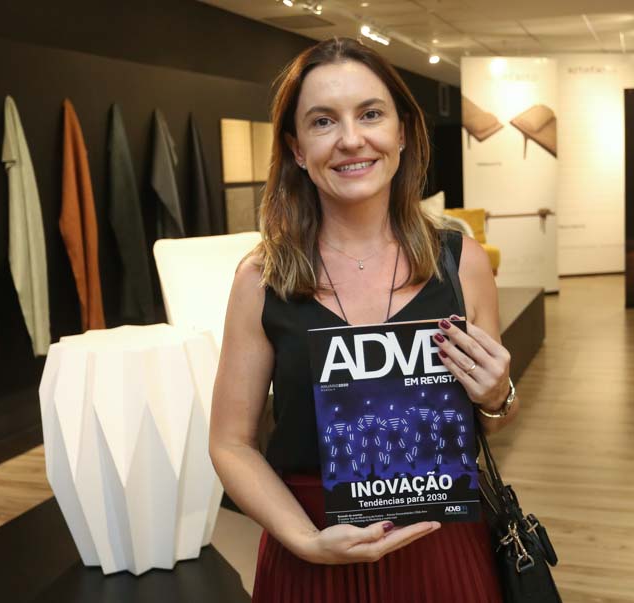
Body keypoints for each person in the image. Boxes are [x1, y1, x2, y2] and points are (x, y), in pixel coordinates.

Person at [209, 37, 518, 603]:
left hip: (444, 550)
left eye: (371, 114)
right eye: (323, 121)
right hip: (315, 552)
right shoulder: (262, 279)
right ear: (297, 149)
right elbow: (231, 444)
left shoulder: (461, 262)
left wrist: (498, 394)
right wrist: (305, 541)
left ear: (402, 132)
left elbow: (491, 421)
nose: (351, 139)